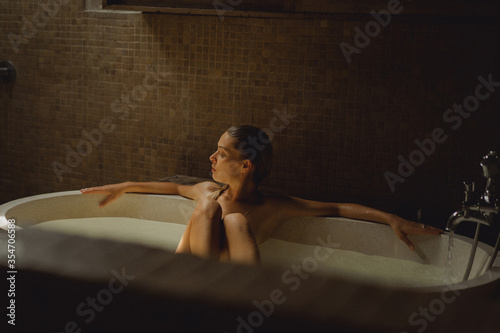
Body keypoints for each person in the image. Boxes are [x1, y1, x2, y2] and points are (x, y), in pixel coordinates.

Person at [81, 125, 443, 265]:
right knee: (208, 208)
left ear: (246, 166)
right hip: (182, 279)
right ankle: (199, 296)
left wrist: (390, 218)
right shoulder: (209, 190)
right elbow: (172, 187)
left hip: (232, 292)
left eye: (222, 153)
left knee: (236, 221)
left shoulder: (271, 206)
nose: (212, 157)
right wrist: (124, 185)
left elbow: (335, 207)